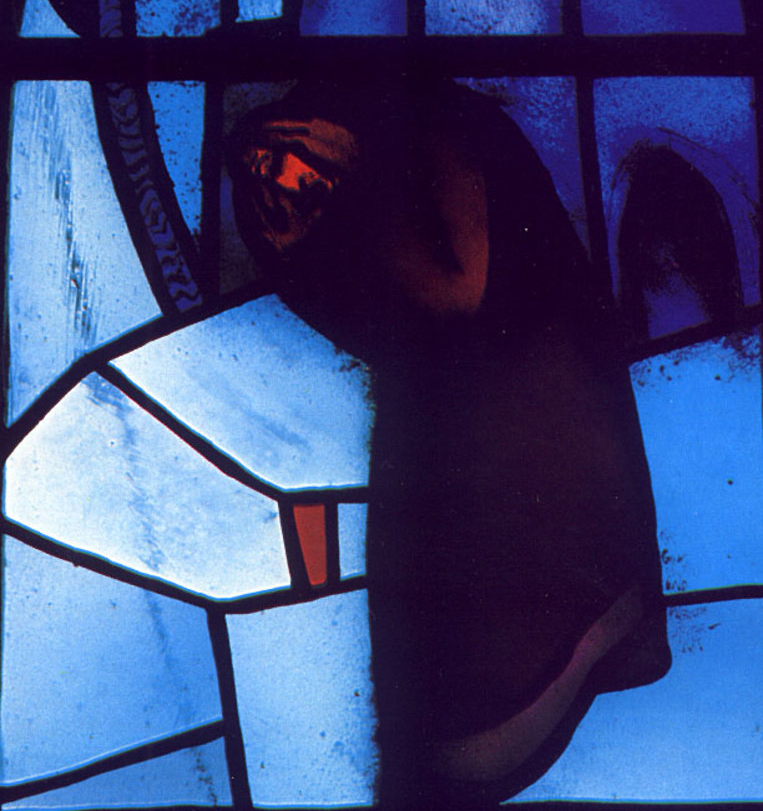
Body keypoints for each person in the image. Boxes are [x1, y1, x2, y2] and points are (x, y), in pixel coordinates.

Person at [226, 73, 671, 808]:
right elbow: (377, 321)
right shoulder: (352, 193)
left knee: (499, 651)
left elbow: (457, 291)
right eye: (263, 176)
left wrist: (347, 210)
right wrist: (303, 249)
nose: (282, 184)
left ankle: (597, 626)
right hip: (446, 432)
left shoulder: (443, 136)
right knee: (443, 684)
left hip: (525, 416)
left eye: (289, 163)